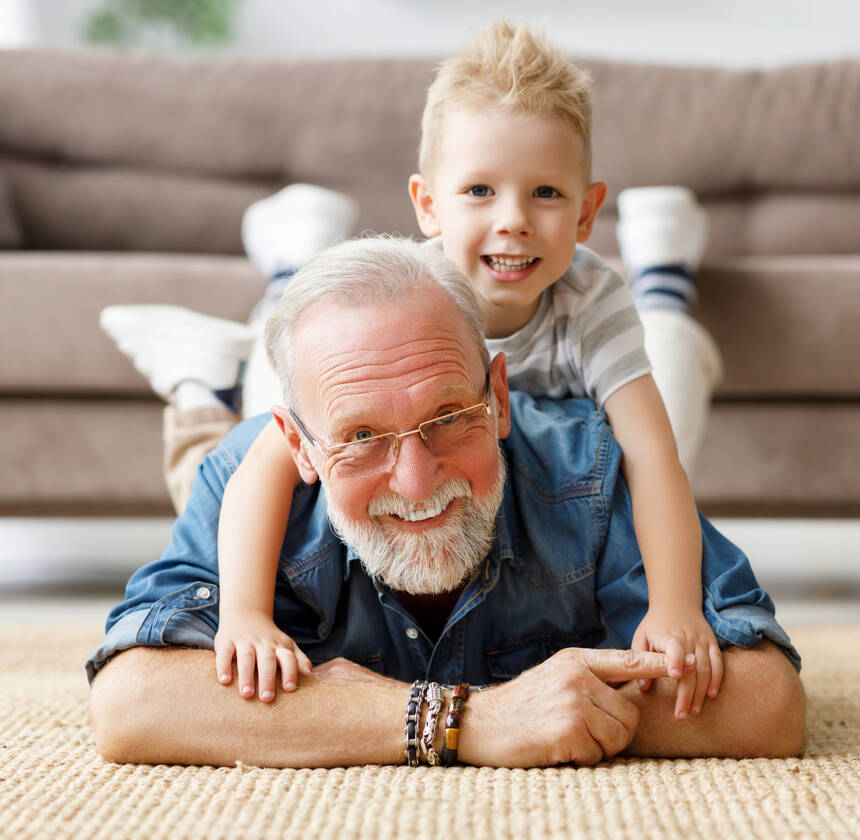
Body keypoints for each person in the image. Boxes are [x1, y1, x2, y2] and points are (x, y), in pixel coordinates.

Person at [103, 22, 728, 719]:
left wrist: (675, 606)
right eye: (480, 190)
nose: (514, 220)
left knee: (665, 385)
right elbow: (273, 456)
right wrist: (245, 613)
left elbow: (653, 454)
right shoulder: (411, 296)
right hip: (351, 446)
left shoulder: (591, 300)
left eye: (546, 193)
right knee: (242, 451)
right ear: (428, 205)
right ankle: (256, 316)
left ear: (586, 214)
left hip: (514, 495)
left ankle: (665, 281)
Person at [86, 235, 804, 768]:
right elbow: (133, 700)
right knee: (199, 455)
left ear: (499, 397)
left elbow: (765, 699)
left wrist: (333, 715)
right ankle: (201, 385)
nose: (417, 481)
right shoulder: (245, 475)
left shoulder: (587, 465)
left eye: (449, 417)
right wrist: (475, 721)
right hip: (248, 457)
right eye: (362, 436)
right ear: (299, 446)